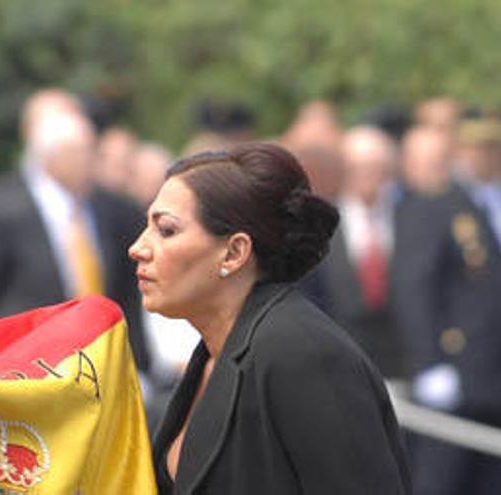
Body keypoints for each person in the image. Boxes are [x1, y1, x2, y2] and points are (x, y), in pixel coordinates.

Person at [129, 142, 410, 493]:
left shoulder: (302, 352)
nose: (138, 248)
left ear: (234, 253)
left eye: (166, 230)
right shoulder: (216, 352)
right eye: (147, 226)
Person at [0, 88, 150, 372]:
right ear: (53, 156)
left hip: (99, 362)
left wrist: (140, 365)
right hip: (28, 365)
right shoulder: (1, 206)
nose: (91, 161)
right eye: (82, 152)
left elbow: (127, 293)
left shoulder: (113, 208)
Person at [392, 116, 501, 495]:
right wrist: (431, 362)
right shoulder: (439, 204)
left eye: (493, 146)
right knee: (442, 480)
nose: (488, 155)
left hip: (493, 376)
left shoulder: (490, 204)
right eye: (478, 147)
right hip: (456, 368)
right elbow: (415, 289)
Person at [307, 126, 408, 379]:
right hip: (342, 359)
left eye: (376, 168)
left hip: (402, 358)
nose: (367, 176)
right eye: (357, 168)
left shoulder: (411, 217)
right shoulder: (322, 222)